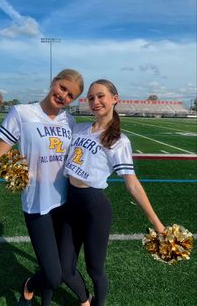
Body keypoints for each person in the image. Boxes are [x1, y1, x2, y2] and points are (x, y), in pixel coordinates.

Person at [0, 69, 84, 306]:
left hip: (65, 204)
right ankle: (29, 286)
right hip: (37, 203)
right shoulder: (22, 113)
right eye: (62, 88)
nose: (63, 96)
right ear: (54, 82)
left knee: (62, 269)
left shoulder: (69, 121)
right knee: (52, 276)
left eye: (70, 95)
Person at [60, 79, 165, 306]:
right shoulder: (79, 129)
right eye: (90, 98)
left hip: (94, 209)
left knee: (94, 270)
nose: (95, 101)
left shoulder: (118, 140)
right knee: (64, 270)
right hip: (71, 206)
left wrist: (157, 224)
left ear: (114, 99)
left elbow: (132, 184)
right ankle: (84, 300)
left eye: (100, 96)